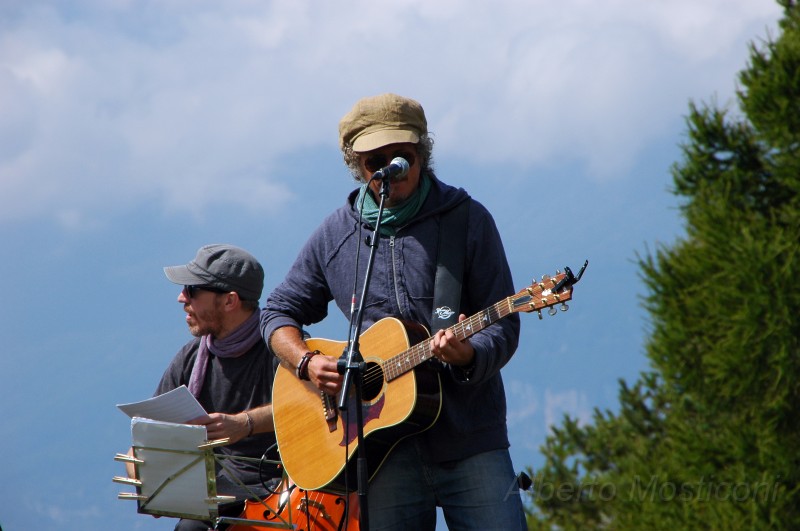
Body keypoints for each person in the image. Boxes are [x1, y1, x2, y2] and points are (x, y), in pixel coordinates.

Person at [261, 94, 526, 529]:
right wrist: (306, 362)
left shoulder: (468, 220)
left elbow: (505, 321)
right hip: (380, 449)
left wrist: (470, 355)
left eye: (401, 156)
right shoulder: (336, 235)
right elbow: (276, 312)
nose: (390, 169)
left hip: (470, 438)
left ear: (422, 153)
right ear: (356, 165)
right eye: (375, 161)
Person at [133, 244, 279, 531]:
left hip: (280, 494)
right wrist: (146, 479)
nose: (181, 298)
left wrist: (245, 423)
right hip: (214, 496)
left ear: (229, 301)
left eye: (192, 290)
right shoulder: (191, 357)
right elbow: (151, 432)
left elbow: (311, 408)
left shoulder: (281, 348)